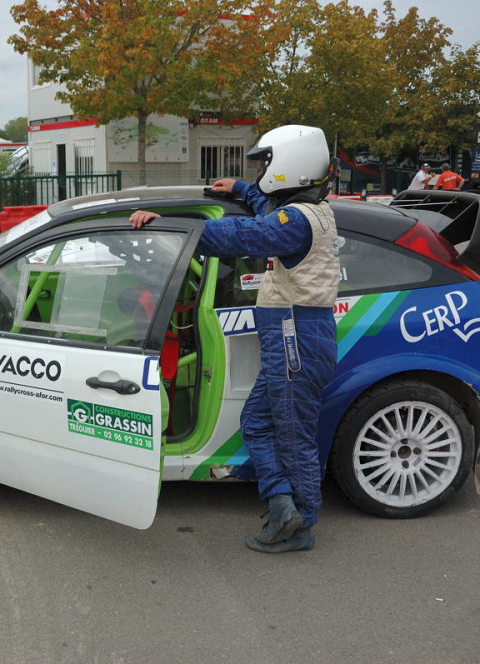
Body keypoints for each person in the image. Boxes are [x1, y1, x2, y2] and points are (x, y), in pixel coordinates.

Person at [129, 125, 339, 553]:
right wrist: (243, 188)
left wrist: (169, 226)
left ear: (287, 165)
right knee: (259, 423)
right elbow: (268, 218)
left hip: (295, 339)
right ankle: (283, 504)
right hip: (295, 338)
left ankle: (300, 523)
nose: (262, 170)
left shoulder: (296, 222)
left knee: (293, 434)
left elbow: (241, 235)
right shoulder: (310, 213)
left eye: (265, 163)